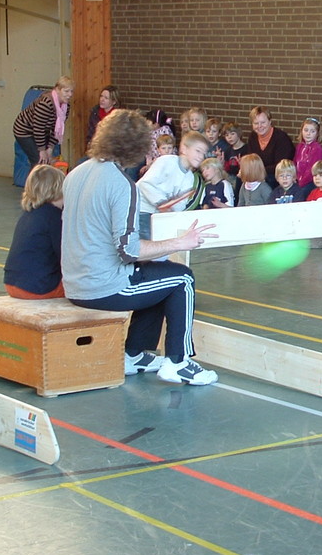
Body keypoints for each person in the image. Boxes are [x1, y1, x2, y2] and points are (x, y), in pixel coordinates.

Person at [61, 108, 218, 386]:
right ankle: (178, 362)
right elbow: (128, 251)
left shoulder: (77, 173)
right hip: (103, 287)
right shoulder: (123, 185)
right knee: (181, 278)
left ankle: (133, 354)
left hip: (75, 284)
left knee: (159, 272)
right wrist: (182, 242)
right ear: (136, 146)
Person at [3, 165, 66, 299]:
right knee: (87, 288)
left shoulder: (28, 213)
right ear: (59, 189)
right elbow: (66, 256)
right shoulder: (54, 217)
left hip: (12, 283)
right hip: (38, 288)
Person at [136, 130, 209, 236]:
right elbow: (146, 184)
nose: (201, 157)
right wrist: (162, 203)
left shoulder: (189, 178)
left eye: (203, 153)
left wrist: (171, 211)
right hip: (141, 210)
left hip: (157, 216)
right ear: (184, 148)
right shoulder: (166, 161)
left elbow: (180, 204)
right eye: (198, 151)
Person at [12, 76, 74, 171]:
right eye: (66, 91)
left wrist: (50, 149)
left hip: (43, 131)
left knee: (48, 158)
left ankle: (44, 184)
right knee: (39, 160)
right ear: (57, 90)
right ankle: (33, 185)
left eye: (71, 91)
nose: (70, 94)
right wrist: (42, 150)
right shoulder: (46, 103)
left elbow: (57, 129)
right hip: (24, 130)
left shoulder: (65, 106)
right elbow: (38, 128)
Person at [246, 106, 295, 188]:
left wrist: (259, 172)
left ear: (270, 121)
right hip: (257, 174)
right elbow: (251, 159)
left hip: (277, 176)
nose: (259, 126)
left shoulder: (281, 138)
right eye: (256, 123)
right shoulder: (252, 137)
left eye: (263, 122)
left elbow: (280, 165)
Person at [294, 116, 322, 194]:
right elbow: (295, 162)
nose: (308, 133)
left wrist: (301, 183)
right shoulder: (300, 146)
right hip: (298, 180)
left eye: (312, 131)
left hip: (310, 181)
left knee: (300, 193)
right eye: (306, 130)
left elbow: (311, 170)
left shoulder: (316, 148)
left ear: (317, 134)